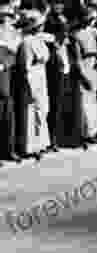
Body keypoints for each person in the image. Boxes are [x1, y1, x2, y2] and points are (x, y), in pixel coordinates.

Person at [15, 9, 52, 160]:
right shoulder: (26, 42)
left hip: (41, 76)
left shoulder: (39, 40)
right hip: (32, 79)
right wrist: (30, 85)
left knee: (42, 110)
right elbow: (26, 66)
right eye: (40, 25)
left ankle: (41, 143)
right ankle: (30, 146)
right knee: (32, 111)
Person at [72, 6, 97, 147]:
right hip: (84, 69)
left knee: (95, 102)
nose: (91, 21)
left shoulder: (94, 32)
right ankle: (85, 135)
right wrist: (84, 76)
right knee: (85, 104)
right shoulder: (76, 36)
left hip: (95, 68)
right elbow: (77, 60)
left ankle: (95, 132)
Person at [44, 0, 71, 150]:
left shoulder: (62, 19)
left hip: (63, 62)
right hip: (54, 65)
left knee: (61, 101)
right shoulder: (49, 20)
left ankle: (60, 136)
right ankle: (52, 138)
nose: (60, 6)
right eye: (57, 3)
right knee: (54, 102)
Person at [0, 1, 20, 164]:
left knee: (9, 113)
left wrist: (5, 63)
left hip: (9, 74)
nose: (6, 20)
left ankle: (9, 149)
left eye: (8, 17)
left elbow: (13, 54)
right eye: (4, 17)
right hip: (2, 76)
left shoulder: (13, 33)